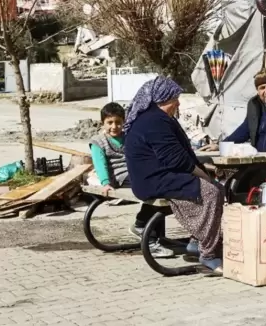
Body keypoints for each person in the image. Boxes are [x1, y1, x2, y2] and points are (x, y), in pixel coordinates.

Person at [123, 76, 225, 274]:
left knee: (218, 188)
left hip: (160, 175)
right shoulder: (154, 121)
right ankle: (209, 254)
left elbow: (183, 155)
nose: (178, 103)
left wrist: (204, 169)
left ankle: (199, 241)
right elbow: (178, 160)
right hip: (152, 180)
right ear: (161, 99)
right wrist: (204, 176)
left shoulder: (158, 118)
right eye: (174, 98)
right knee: (211, 192)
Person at [89, 102, 175, 258]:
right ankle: (143, 229)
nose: (114, 126)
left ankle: (151, 232)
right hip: (120, 177)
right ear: (103, 123)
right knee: (155, 187)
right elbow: (99, 163)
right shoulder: (98, 142)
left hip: (136, 172)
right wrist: (105, 182)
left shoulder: (129, 136)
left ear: (123, 122)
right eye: (110, 123)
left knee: (164, 186)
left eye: (118, 122)